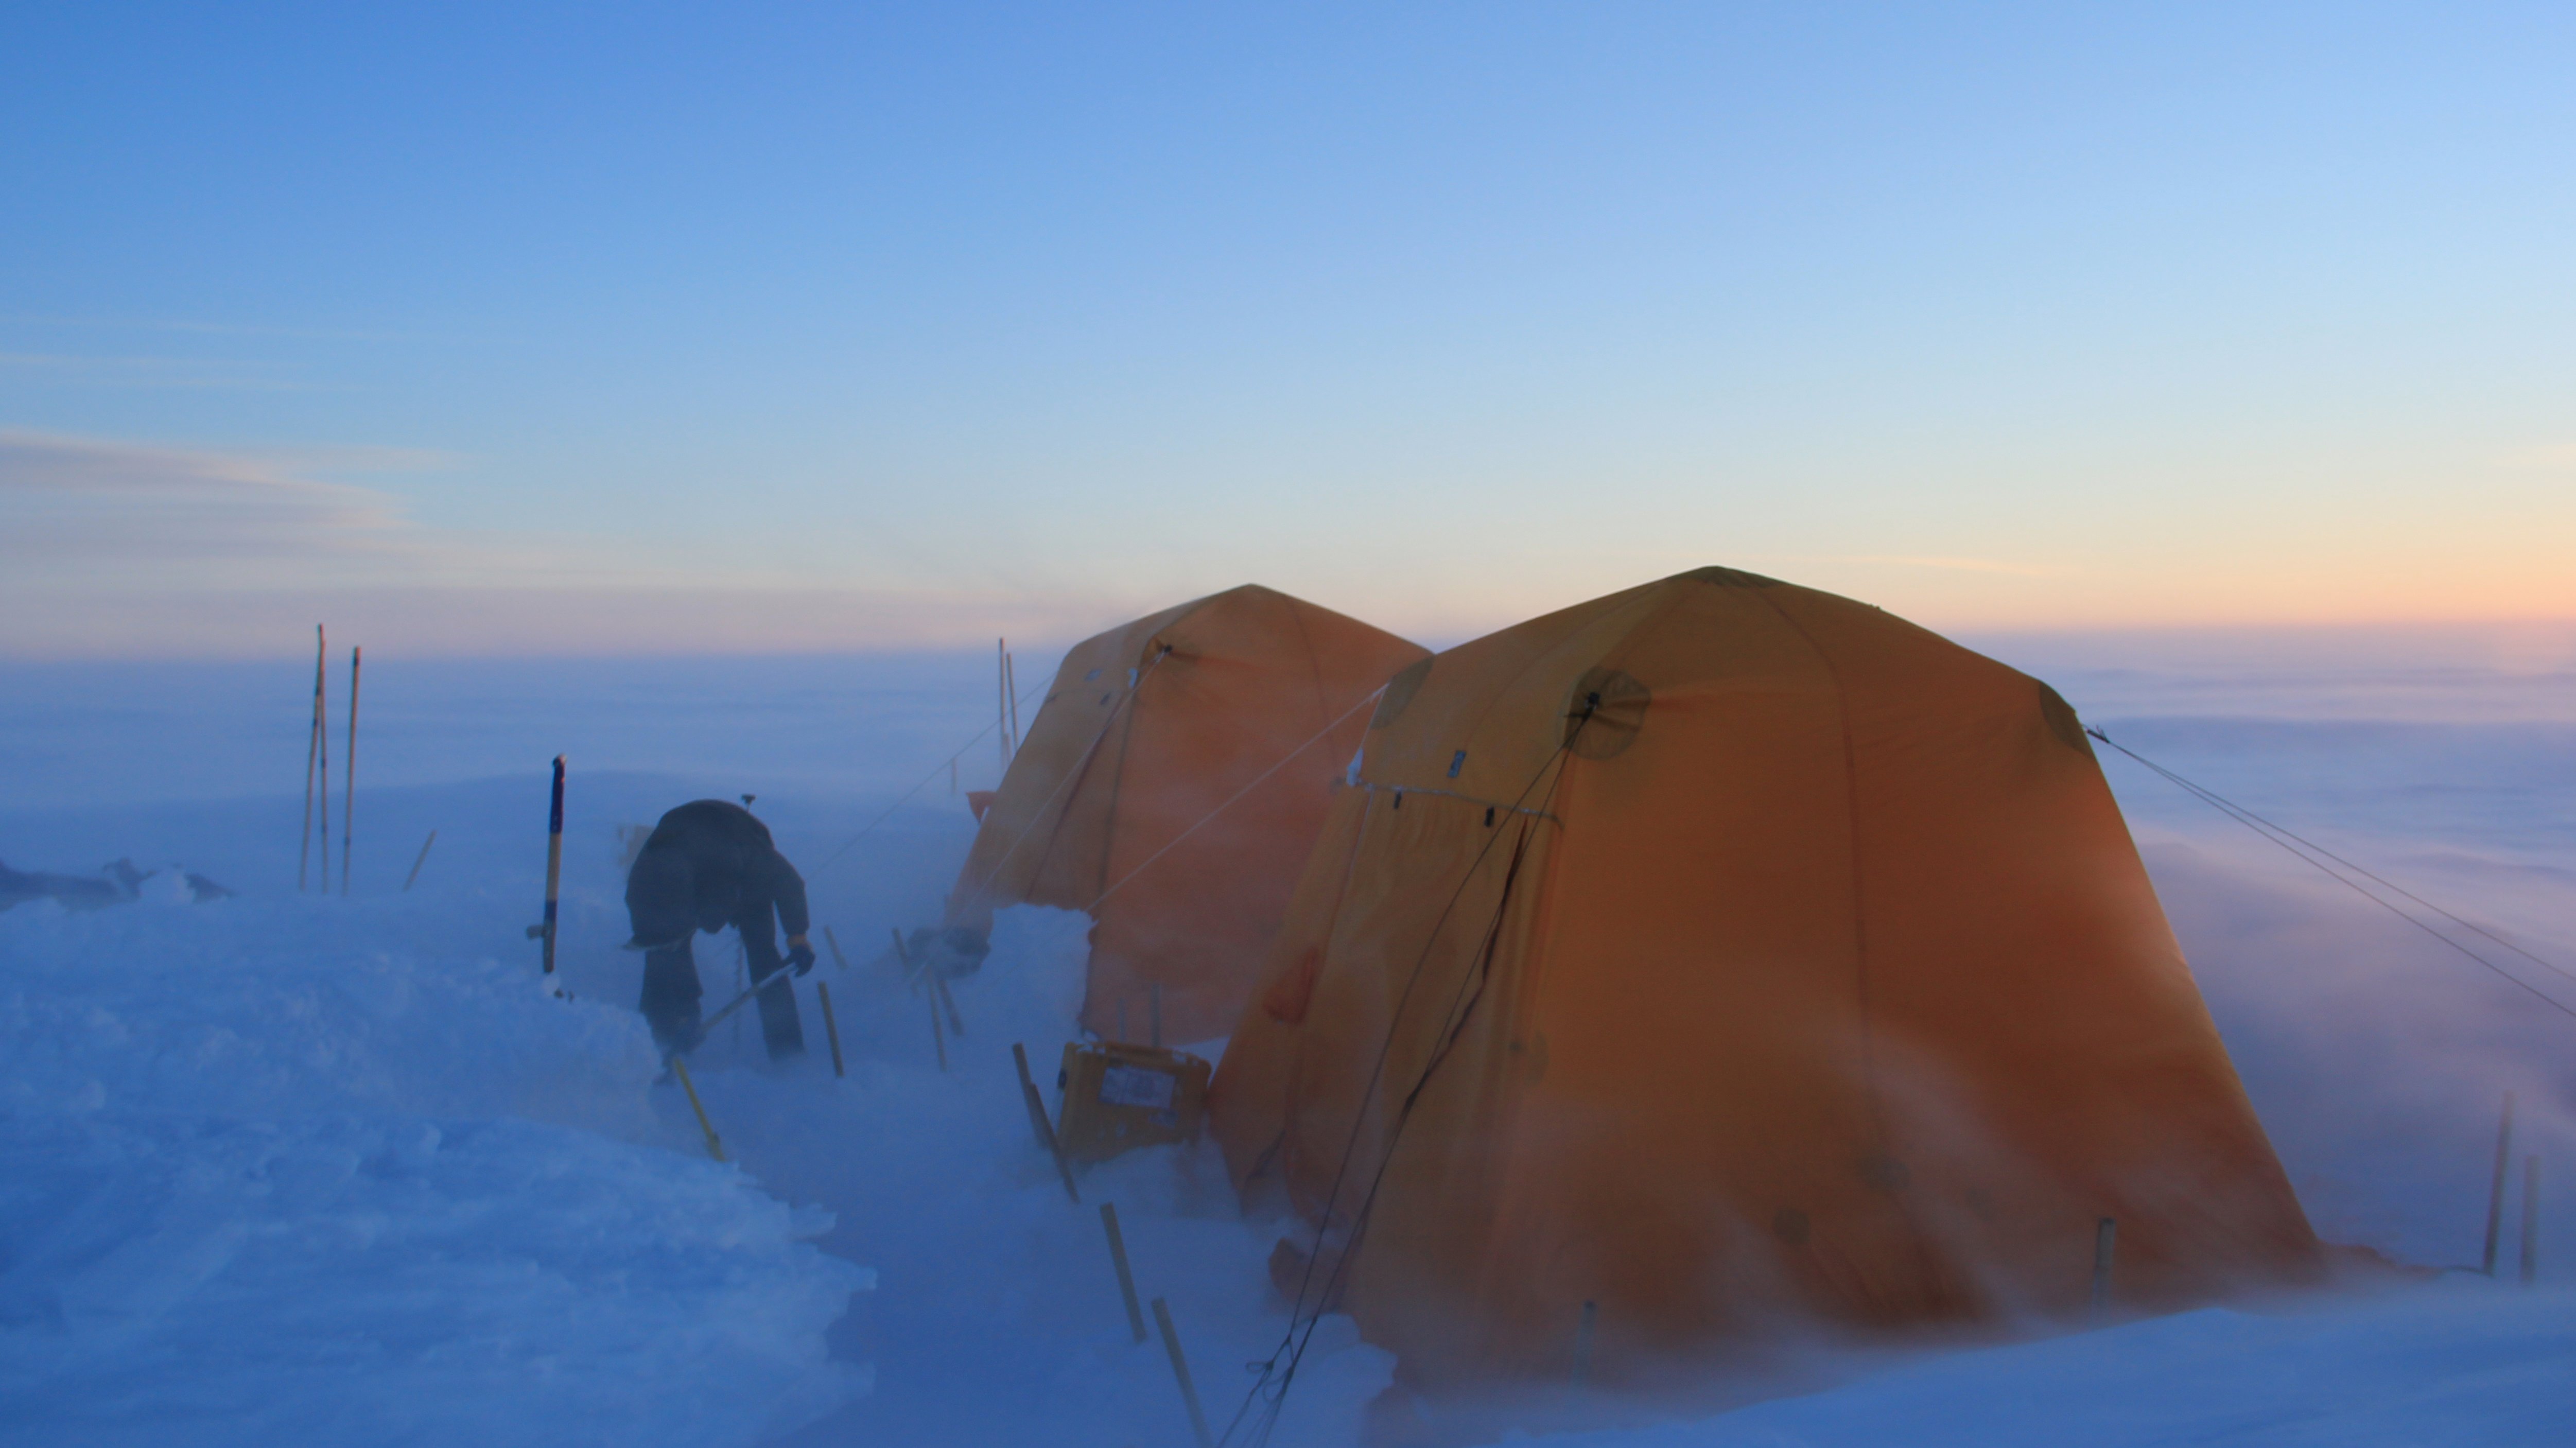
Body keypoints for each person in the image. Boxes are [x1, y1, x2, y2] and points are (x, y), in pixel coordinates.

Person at [622, 799, 817, 1061]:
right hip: (691, 858)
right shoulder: (646, 886)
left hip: (742, 865)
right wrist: (686, 1011)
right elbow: (664, 948)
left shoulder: (753, 862)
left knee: (765, 958)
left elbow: (789, 883)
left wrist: (797, 937)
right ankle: (659, 1045)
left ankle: (788, 1052)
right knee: (662, 955)